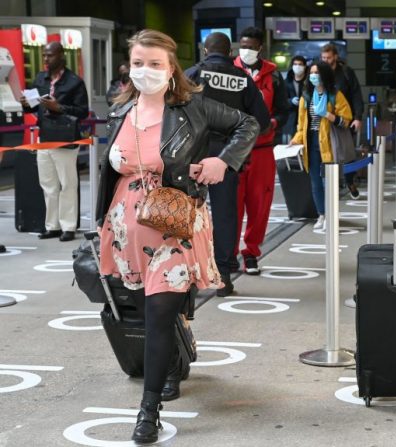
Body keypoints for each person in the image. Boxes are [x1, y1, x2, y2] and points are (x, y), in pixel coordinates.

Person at [96, 29, 258, 444]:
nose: (145, 71)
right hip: (126, 225)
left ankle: (148, 410)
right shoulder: (121, 112)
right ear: (128, 67)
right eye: (137, 63)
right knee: (146, 308)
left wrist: (224, 161)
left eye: (155, 64)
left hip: (174, 223)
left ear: (172, 70)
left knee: (158, 313)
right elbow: (110, 170)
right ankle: (171, 363)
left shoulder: (192, 109)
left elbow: (248, 123)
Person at [184, 32, 271, 294]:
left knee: (186, 212)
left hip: (192, 154)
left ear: (205, 49)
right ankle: (223, 275)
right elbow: (262, 122)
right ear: (230, 51)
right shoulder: (242, 78)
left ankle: (185, 272)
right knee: (225, 215)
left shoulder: (192, 74)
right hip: (225, 156)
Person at [233, 26, 290, 275]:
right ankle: (228, 254)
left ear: (260, 48)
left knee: (259, 204)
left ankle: (251, 254)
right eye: (242, 46)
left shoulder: (274, 76)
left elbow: (284, 109)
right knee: (230, 205)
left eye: (250, 46)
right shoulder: (228, 72)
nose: (246, 50)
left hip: (263, 149)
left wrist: (272, 124)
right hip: (233, 151)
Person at [19, 41, 88, 242]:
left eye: (50, 55)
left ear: (61, 56)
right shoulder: (41, 78)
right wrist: (26, 105)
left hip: (65, 138)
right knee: (48, 184)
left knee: (67, 184)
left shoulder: (74, 81)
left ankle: (68, 226)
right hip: (44, 137)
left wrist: (59, 108)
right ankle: (53, 226)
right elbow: (34, 108)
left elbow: (82, 111)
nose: (46, 59)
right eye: (44, 56)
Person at [290, 61, 353, 231]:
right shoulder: (306, 96)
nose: (313, 76)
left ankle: (331, 215)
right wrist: (296, 139)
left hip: (328, 142)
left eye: (316, 73)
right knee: (315, 181)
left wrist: (327, 114)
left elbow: (346, 119)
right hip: (311, 141)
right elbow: (301, 123)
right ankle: (321, 214)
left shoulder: (335, 95)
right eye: (311, 73)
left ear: (324, 75)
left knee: (329, 182)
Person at [320, 43, 363, 198]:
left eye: (329, 58)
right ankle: (332, 185)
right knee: (328, 153)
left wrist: (358, 117)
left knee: (347, 153)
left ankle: (350, 181)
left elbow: (356, 94)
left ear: (336, 57)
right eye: (323, 58)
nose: (326, 60)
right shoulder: (318, 73)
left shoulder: (345, 72)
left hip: (344, 120)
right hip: (325, 121)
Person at [284, 55, 308, 142]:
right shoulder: (286, 82)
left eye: (300, 64)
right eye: (295, 64)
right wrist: (291, 101)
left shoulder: (309, 81)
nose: (297, 66)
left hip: (306, 117)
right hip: (290, 120)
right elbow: (281, 101)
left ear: (305, 66)